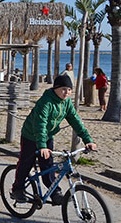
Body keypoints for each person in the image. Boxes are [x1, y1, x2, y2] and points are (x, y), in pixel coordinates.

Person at [11, 74, 96, 205]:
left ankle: (55, 192)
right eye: (63, 89)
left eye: (69, 89)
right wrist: (42, 146)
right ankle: (17, 189)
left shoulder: (66, 102)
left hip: (48, 136)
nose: (66, 92)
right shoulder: (46, 101)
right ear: (55, 88)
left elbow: (75, 120)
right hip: (31, 135)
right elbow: (40, 124)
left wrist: (87, 139)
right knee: (26, 162)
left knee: (48, 166)